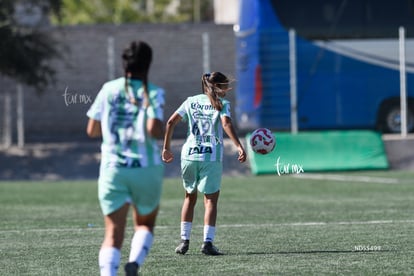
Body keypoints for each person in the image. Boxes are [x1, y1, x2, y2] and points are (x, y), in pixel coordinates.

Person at [86, 41, 165, 276]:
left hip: (113, 168)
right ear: (148, 64)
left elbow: (91, 129)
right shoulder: (153, 92)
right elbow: (153, 130)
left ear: (124, 63)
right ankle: (134, 263)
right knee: (144, 224)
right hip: (145, 168)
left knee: (112, 232)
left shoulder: (108, 89)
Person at [162, 72, 246, 255]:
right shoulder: (223, 104)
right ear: (217, 87)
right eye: (225, 86)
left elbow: (170, 122)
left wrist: (166, 148)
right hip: (211, 156)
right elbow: (226, 124)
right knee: (210, 201)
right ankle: (207, 243)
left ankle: (184, 241)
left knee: (189, 198)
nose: (226, 90)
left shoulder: (190, 101)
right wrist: (239, 146)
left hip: (189, 155)